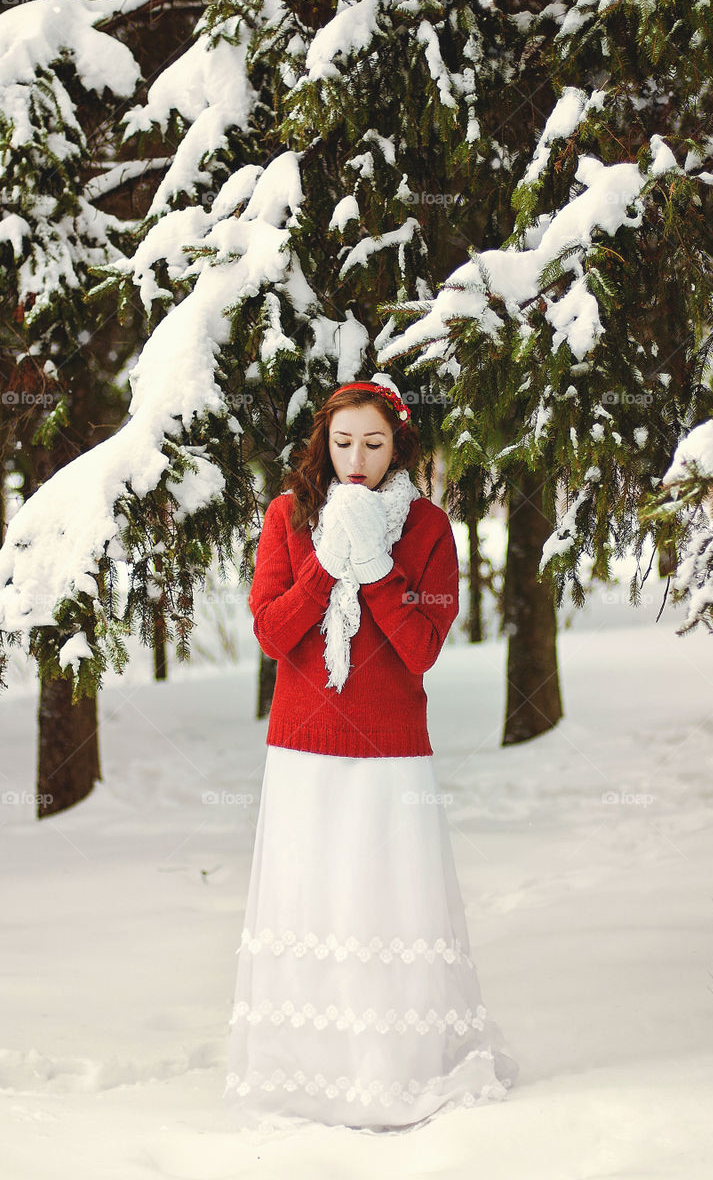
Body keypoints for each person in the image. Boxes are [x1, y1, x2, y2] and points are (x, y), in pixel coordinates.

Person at [222, 373, 518, 1132]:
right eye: (342, 441)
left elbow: (419, 649)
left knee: (383, 900)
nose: (356, 458)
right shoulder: (287, 517)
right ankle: (310, 1071)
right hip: (302, 748)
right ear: (322, 442)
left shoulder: (426, 530)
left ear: (400, 446)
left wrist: (379, 570)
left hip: (391, 755)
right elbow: (272, 634)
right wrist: (327, 565)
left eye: (374, 443)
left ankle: (396, 1068)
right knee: (313, 898)